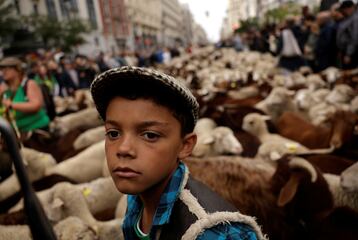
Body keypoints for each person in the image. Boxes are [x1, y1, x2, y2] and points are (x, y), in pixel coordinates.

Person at [90, 66, 265, 240]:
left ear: (185, 146)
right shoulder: (137, 202)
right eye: (113, 133)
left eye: (150, 135)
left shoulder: (216, 232)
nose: (123, 149)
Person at [0, 57, 50, 134]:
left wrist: (11, 104)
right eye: (2, 69)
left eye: (7, 69)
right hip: (15, 132)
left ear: (17, 70)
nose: (3, 72)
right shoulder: (3, 88)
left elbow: (35, 105)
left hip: (36, 130)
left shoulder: (28, 84)